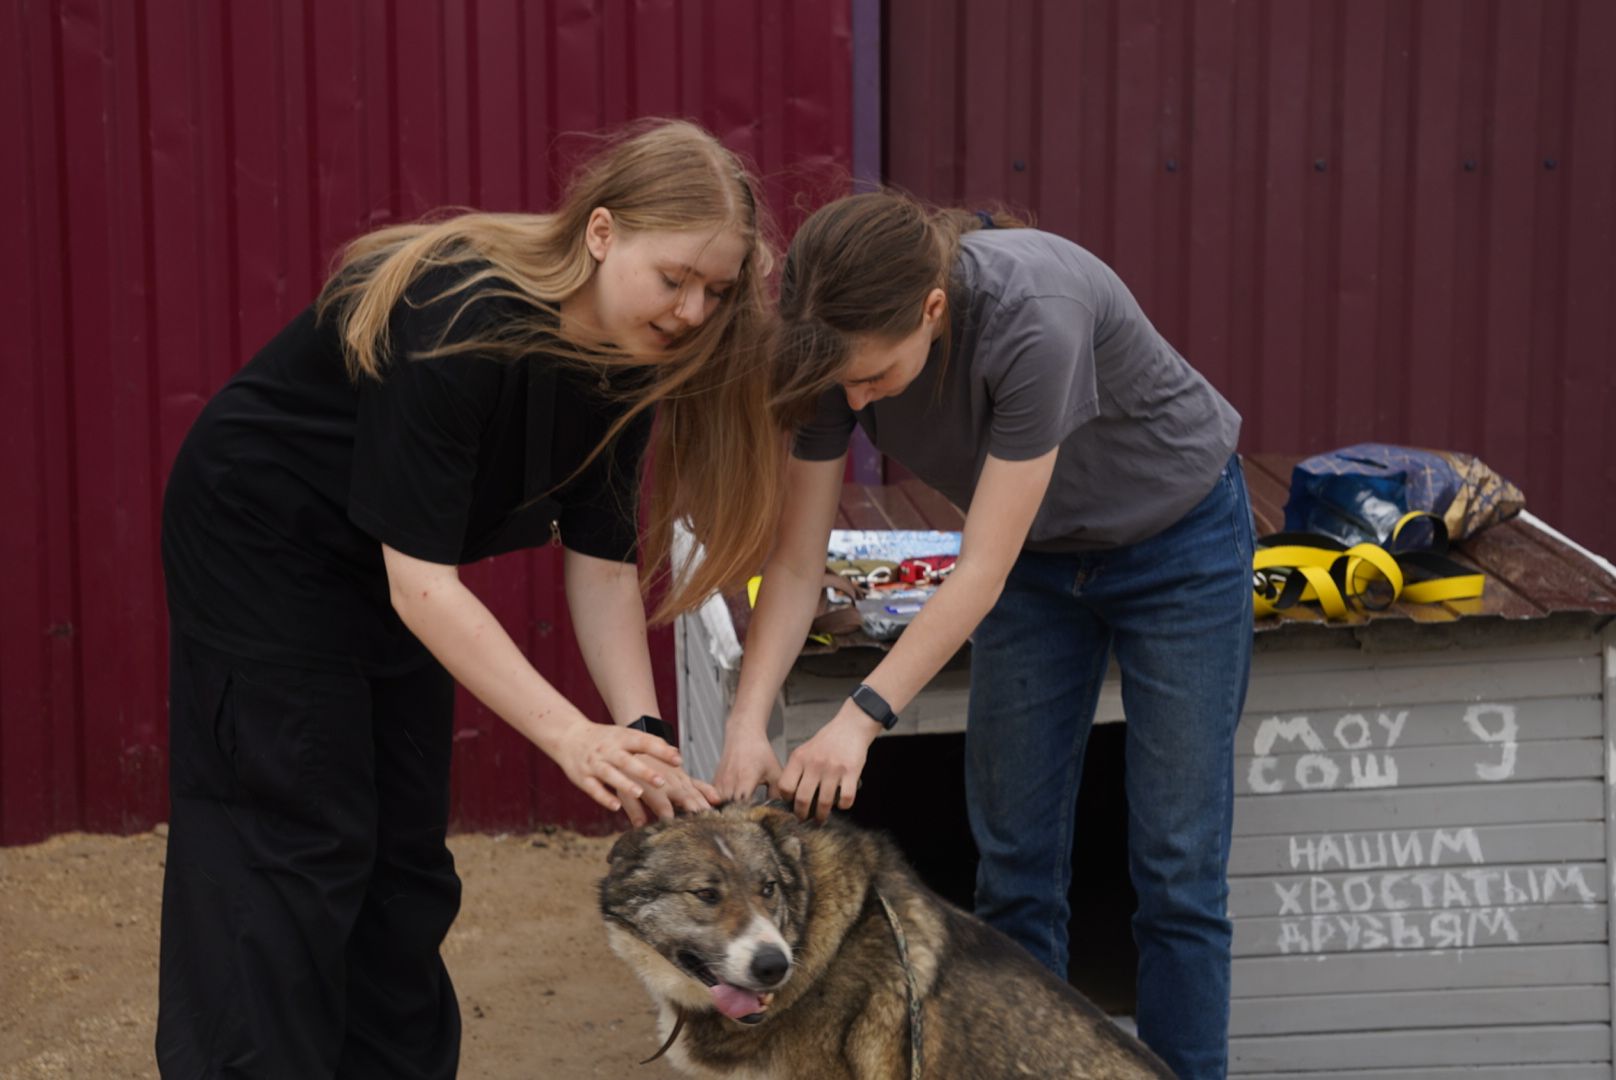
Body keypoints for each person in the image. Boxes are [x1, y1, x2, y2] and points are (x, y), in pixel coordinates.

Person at [156, 119, 787, 1078]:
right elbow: (423, 586)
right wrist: (571, 739)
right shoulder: (458, 316)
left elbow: (604, 560)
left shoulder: (626, 352)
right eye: (677, 279)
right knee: (296, 842)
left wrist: (640, 733)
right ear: (603, 232)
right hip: (265, 548)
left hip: (392, 568)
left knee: (405, 859)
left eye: (716, 290)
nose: (695, 311)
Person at [713, 191, 1254, 1079]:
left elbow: (980, 571)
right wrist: (746, 726)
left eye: (874, 378)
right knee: (1014, 863)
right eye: (839, 381)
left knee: (1177, 867)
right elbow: (798, 565)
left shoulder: (1034, 317)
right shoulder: (830, 340)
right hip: (1040, 563)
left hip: (1176, 544)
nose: (853, 400)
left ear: (931, 310)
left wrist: (857, 720)